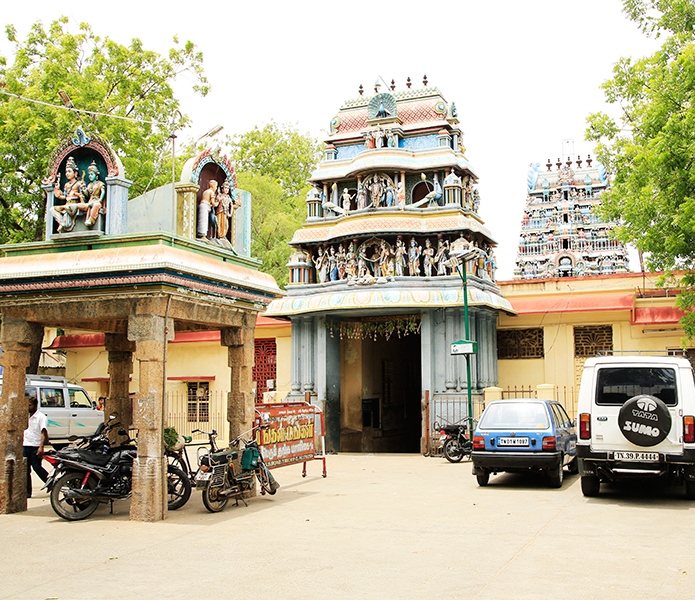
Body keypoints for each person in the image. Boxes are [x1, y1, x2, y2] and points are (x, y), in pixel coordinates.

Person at [23, 394, 49, 498]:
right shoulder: (25, 416)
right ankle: (27, 492)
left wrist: (41, 446)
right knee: (25, 470)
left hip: (35, 445)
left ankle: (50, 482)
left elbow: (43, 432)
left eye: (29, 405)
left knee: (37, 467)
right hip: (26, 445)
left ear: (35, 405)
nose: (28, 407)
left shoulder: (41, 417)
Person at [51, 156, 85, 233]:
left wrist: (77, 193)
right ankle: (62, 222)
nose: (67, 174)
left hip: (75, 204)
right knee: (53, 209)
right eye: (66, 172)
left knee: (68, 208)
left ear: (75, 173)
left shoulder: (78, 183)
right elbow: (65, 197)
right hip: (67, 204)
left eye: (69, 171)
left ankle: (64, 223)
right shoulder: (66, 185)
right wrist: (57, 189)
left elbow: (83, 195)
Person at [83, 161, 105, 227]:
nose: (90, 176)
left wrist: (100, 200)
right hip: (90, 200)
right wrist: (84, 191)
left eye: (92, 174)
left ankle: (91, 219)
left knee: (95, 205)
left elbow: (103, 192)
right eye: (89, 174)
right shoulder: (89, 185)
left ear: (96, 175)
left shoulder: (100, 184)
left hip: (97, 200)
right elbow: (87, 195)